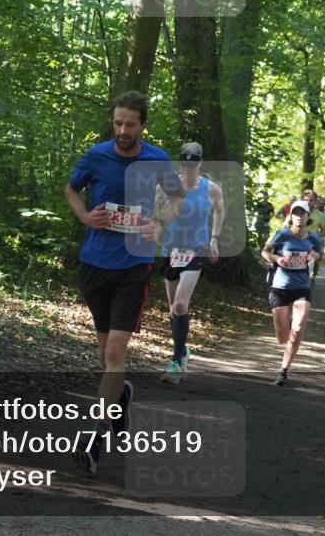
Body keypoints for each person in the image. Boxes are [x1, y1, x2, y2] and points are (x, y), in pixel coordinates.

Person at [64, 91, 185, 474]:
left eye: (130, 124)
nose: (122, 130)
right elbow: (71, 189)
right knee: (106, 357)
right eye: (117, 123)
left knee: (116, 352)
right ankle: (121, 397)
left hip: (134, 264)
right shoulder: (97, 155)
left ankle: (95, 440)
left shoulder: (156, 159)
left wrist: (160, 223)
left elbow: (176, 198)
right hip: (95, 262)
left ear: (142, 126)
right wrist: (85, 216)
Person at [159, 142, 224, 385]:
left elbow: (220, 211)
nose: (189, 167)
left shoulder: (212, 189)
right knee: (173, 308)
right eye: (185, 162)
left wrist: (214, 238)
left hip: (195, 250)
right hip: (170, 250)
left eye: (193, 162)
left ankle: (176, 362)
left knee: (180, 305)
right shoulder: (167, 185)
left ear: (200, 162)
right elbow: (152, 208)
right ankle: (182, 351)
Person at [261, 200, 322, 386]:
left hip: (302, 288)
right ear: (291, 216)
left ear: (307, 216)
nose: (299, 217)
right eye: (295, 213)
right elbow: (265, 252)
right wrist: (277, 258)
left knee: (297, 329)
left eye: (302, 213)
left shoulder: (313, 238)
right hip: (280, 287)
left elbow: (319, 255)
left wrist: (317, 256)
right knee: (282, 337)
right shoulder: (281, 235)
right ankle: (285, 331)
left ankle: (283, 371)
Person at [303, 190, 325, 286]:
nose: (308, 202)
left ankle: (311, 277)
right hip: (298, 241)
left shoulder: (320, 215)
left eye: (311, 200)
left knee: (314, 261)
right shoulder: (297, 211)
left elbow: (323, 228)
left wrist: (321, 238)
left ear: (315, 202)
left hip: (312, 242)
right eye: (306, 200)